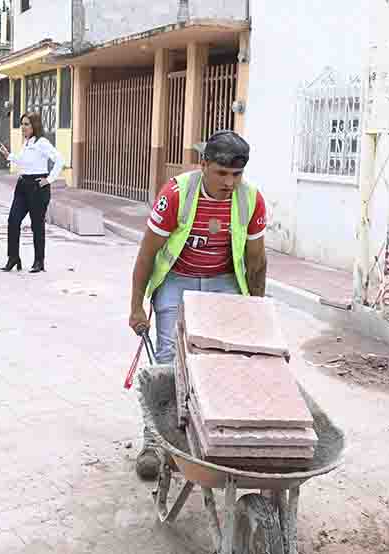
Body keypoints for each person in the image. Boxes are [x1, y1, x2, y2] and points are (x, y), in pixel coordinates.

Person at [127, 130, 269, 480]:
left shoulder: (251, 200)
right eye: (221, 173)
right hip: (178, 280)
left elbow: (256, 261)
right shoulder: (176, 194)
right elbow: (147, 253)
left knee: (224, 361)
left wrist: (256, 310)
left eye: (236, 175)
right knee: (166, 363)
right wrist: (136, 306)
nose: (229, 183)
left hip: (223, 282)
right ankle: (155, 442)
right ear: (203, 164)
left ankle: (218, 436)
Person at [0, 112, 64, 273]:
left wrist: (49, 179)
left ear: (35, 125)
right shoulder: (27, 143)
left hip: (37, 187)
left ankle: (39, 262)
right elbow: (24, 161)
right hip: (22, 186)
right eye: (22, 124)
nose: (23, 127)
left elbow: (59, 159)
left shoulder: (42, 142)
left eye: (27, 124)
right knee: (13, 221)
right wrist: (9, 156)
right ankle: (13, 258)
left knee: (37, 225)